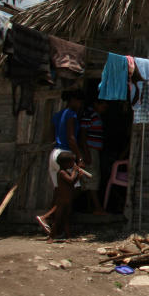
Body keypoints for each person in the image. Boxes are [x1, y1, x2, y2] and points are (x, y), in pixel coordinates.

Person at [35, 91, 86, 233]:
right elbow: (71, 138)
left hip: (54, 153)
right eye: (79, 101)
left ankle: (54, 225)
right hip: (65, 155)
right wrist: (79, 157)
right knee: (73, 191)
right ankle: (48, 216)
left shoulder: (57, 115)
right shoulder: (71, 115)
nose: (80, 104)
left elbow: (51, 137)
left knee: (59, 192)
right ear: (72, 100)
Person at [79, 100, 108, 214]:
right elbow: (83, 134)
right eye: (103, 106)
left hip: (92, 150)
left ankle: (92, 207)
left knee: (89, 180)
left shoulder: (94, 115)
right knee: (92, 178)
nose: (104, 109)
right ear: (96, 104)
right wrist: (86, 153)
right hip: (90, 150)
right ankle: (97, 208)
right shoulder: (89, 115)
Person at [48, 151, 83, 242]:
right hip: (61, 200)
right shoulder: (61, 173)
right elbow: (71, 180)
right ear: (65, 163)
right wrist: (75, 171)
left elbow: (71, 184)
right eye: (71, 162)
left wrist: (78, 177)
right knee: (58, 219)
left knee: (66, 219)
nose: (73, 164)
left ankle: (68, 237)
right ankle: (51, 237)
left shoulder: (66, 172)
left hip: (68, 199)